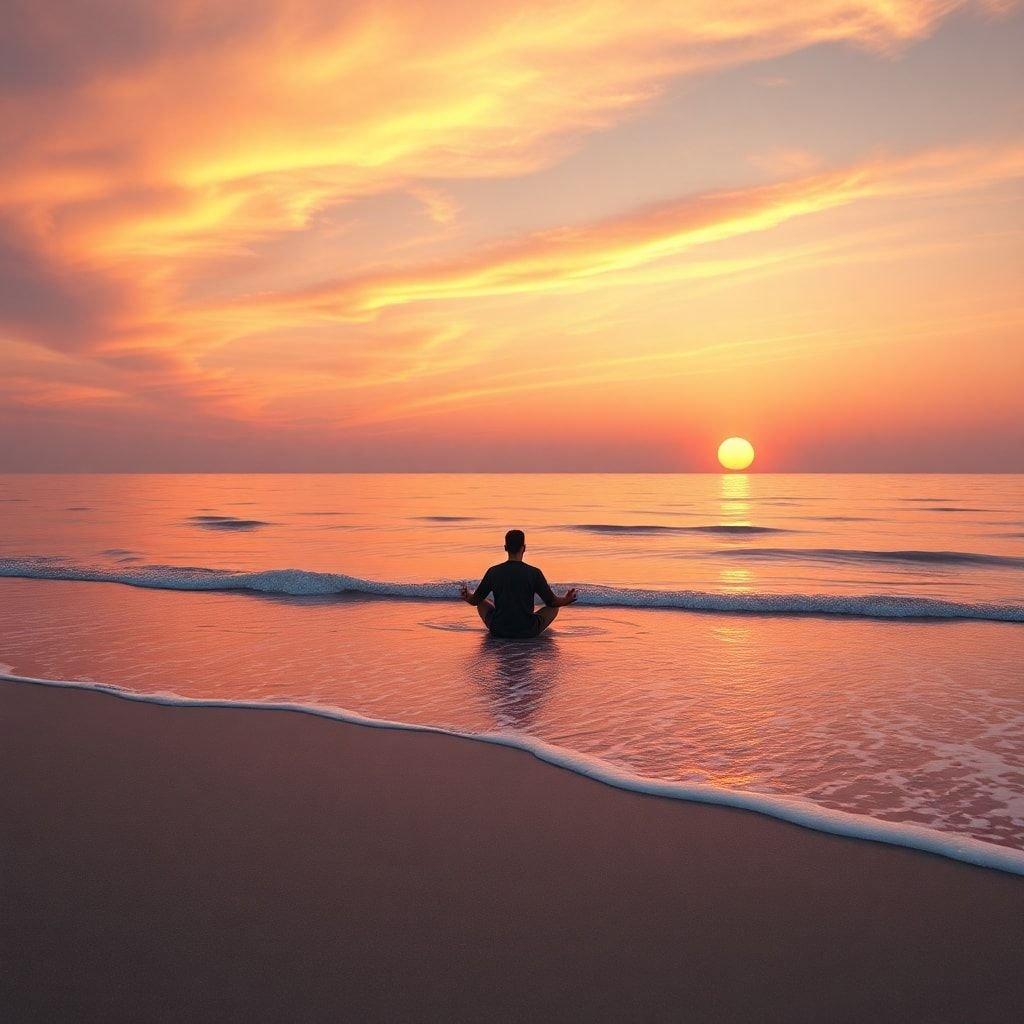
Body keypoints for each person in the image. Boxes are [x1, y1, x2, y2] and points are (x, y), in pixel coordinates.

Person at [459, 529, 578, 638]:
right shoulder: (534, 572)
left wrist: (467, 595)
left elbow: (475, 600)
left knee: (482, 602)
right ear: (524, 548)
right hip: (527, 630)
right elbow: (552, 602)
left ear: (505, 547)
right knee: (554, 608)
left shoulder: (493, 571)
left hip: (499, 630)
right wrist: (567, 599)